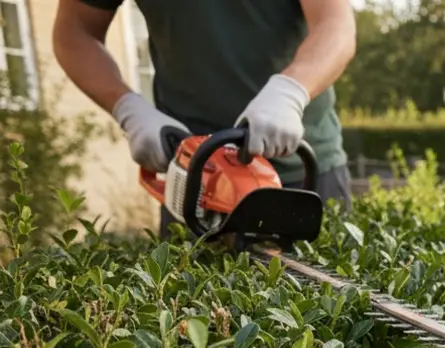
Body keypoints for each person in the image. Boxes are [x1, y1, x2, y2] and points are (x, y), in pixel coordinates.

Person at [52, 0, 357, 237]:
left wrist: (291, 91)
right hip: (197, 177)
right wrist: (127, 107)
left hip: (304, 169)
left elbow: (336, 23)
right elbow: (75, 30)